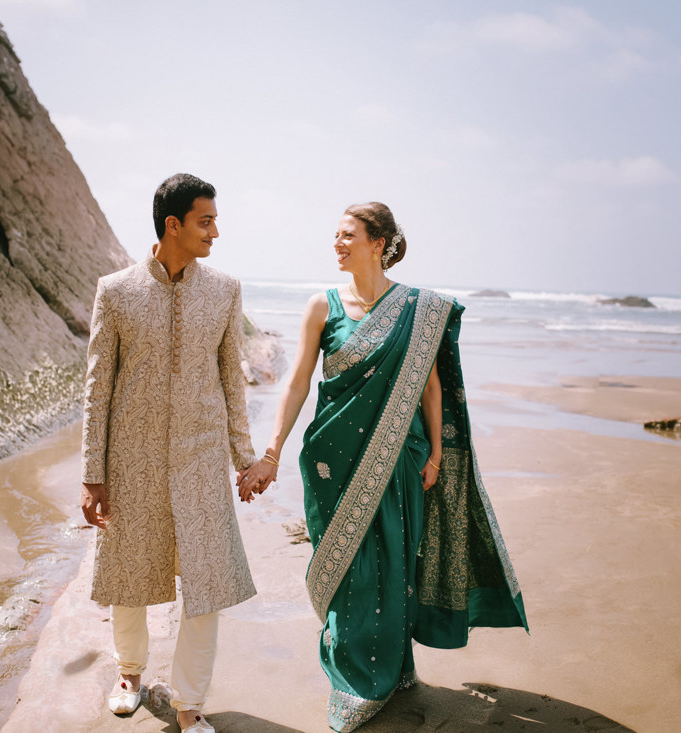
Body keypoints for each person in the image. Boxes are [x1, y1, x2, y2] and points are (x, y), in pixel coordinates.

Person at [239, 202, 528, 732]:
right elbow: (298, 382)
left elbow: (431, 385)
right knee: (349, 567)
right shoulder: (321, 306)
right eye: (335, 235)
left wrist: (437, 453)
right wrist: (273, 451)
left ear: (379, 242)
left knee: (394, 559)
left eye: (348, 235)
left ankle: (388, 671)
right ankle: (356, 678)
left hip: (402, 457)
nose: (337, 243)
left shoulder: (419, 309)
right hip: (333, 459)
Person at [81, 173, 260, 732]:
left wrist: (244, 458)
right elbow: (97, 388)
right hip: (130, 459)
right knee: (129, 573)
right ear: (173, 224)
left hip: (201, 458)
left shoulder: (225, 289)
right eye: (205, 221)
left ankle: (189, 703)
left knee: (204, 583)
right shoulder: (116, 291)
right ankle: (131, 672)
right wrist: (93, 473)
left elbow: (233, 379)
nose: (215, 231)